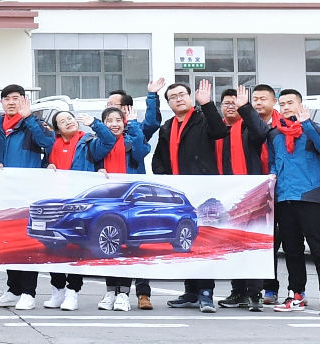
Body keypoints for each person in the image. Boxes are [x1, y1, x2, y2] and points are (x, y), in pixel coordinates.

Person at [149, 78, 227, 312]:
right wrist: (166, 181)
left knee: (203, 241)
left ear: (190, 97)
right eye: (173, 97)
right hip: (180, 192)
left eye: (182, 95)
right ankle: (191, 291)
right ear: (169, 104)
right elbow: (159, 159)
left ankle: (206, 292)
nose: (178, 99)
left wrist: (208, 104)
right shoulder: (167, 127)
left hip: (203, 189)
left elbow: (220, 131)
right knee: (186, 240)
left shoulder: (203, 118)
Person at [267, 88, 320, 315]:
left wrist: (307, 123)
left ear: (300, 105)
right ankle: (295, 293)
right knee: (292, 250)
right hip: (284, 197)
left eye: (290, 103)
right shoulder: (274, 134)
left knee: (318, 248)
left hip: (308, 197)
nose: (286, 107)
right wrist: (272, 174)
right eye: (282, 104)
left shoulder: (312, 129)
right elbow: (273, 162)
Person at [86, 104, 149, 312]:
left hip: (129, 202)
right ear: (103, 124)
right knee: (108, 245)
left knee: (127, 247)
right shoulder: (96, 143)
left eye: (118, 120)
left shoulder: (132, 141)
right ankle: (110, 291)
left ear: (124, 123)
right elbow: (98, 154)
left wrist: (135, 125)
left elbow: (141, 152)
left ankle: (124, 293)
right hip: (107, 202)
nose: (114, 124)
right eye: (109, 121)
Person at [107, 81, 164, 310]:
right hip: (112, 197)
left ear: (126, 109)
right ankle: (114, 293)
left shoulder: (137, 129)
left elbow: (153, 122)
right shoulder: (104, 132)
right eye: (108, 105)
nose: (109, 108)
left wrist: (151, 95)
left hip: (135, 197)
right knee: (113, 242)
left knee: (139, 244)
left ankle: (143, 293)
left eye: (114, 105)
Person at [215, 84, 273, 310]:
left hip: (252, 197)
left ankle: (254, 293)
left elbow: (262, 132)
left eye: (235, 103)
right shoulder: (217, 130)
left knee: (253, 243)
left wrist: (246, 108)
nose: (231, 107)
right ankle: (237, 291)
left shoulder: (249, 128)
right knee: (232, 243)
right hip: (226, 196)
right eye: (227, 103)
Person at [0, 84, 47, 310]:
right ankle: (13, 289)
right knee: (8, 243)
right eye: (7, 98)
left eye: (16, 98)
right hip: (4, 193)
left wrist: (29, 119)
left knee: (27, 243)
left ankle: (28, 292)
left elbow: (48, 143)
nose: (11, 102)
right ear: (2, 102)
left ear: (24, 101)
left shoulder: (33, 124)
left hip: (28, 192)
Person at [40, 109, 102, 312]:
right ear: (57, 129)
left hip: (80, 203)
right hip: (57, 202)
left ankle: (73, 291)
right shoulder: (51, 145)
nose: (68, 122)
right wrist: (46, 166)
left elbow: (101, 155)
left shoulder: (89, 140)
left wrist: (100, 169)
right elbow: (43, 165)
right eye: (62, 121)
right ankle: (57, 290)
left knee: (77, 246)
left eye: (70, 118)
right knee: (54, 245)